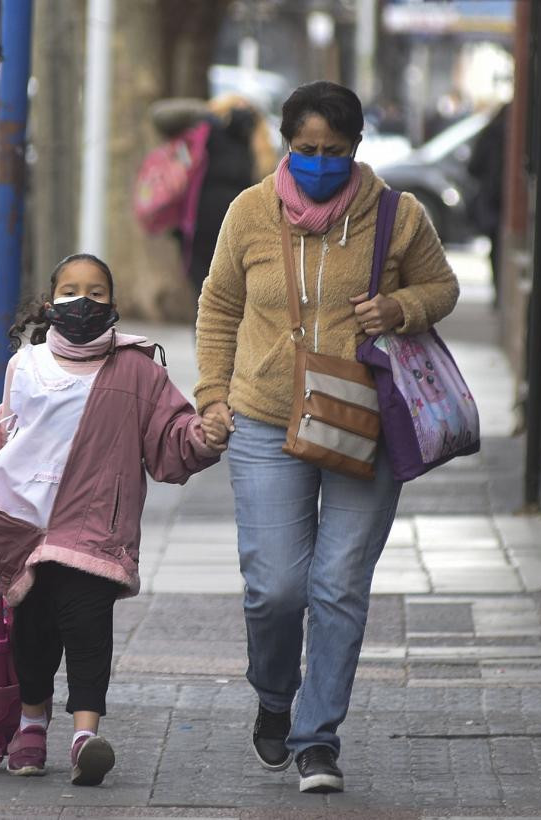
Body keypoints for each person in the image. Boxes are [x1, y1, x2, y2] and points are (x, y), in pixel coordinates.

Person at [195, 81, 459, 794]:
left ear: (357, 147)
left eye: (333, 152)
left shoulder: (398, 217)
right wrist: (213, 396)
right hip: (263, 418)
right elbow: (219, 306)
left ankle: (318, 738)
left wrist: (399, 307)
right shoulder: (249, 212)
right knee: (276, 588)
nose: (317, 163)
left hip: (363, 420)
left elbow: (443, 289)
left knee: (339, 584)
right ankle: (276, 697)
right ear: (286, 145)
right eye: (305, 150)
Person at [0, 254, 224, 785]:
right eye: (72, 290)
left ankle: (84, 736)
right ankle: (30, 725)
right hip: (26, 532)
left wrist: (203, 436)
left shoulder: (141, 372)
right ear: (50, 303)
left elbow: (169, 439)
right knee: (30, 634)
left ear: (114, 306)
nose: (84, 302)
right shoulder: (24, 366)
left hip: (96, 530)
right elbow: (0, 437)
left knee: (88, 632)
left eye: (97, 293)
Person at [150, 94, 277, 305]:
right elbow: (161, 116)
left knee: (214, 296)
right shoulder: (214, 135)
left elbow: (161, 116)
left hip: (218, 230)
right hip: (218, 230)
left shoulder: (219, 134)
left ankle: (209, 336)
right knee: (219, 296)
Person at [467, 102, 510, 306]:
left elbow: (473, 167)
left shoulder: (490, 133)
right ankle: (500, 292)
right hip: (500, 199)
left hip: (493, 199)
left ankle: (498, 292)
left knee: (495, 248)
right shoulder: (506, 135)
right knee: (499, 247)